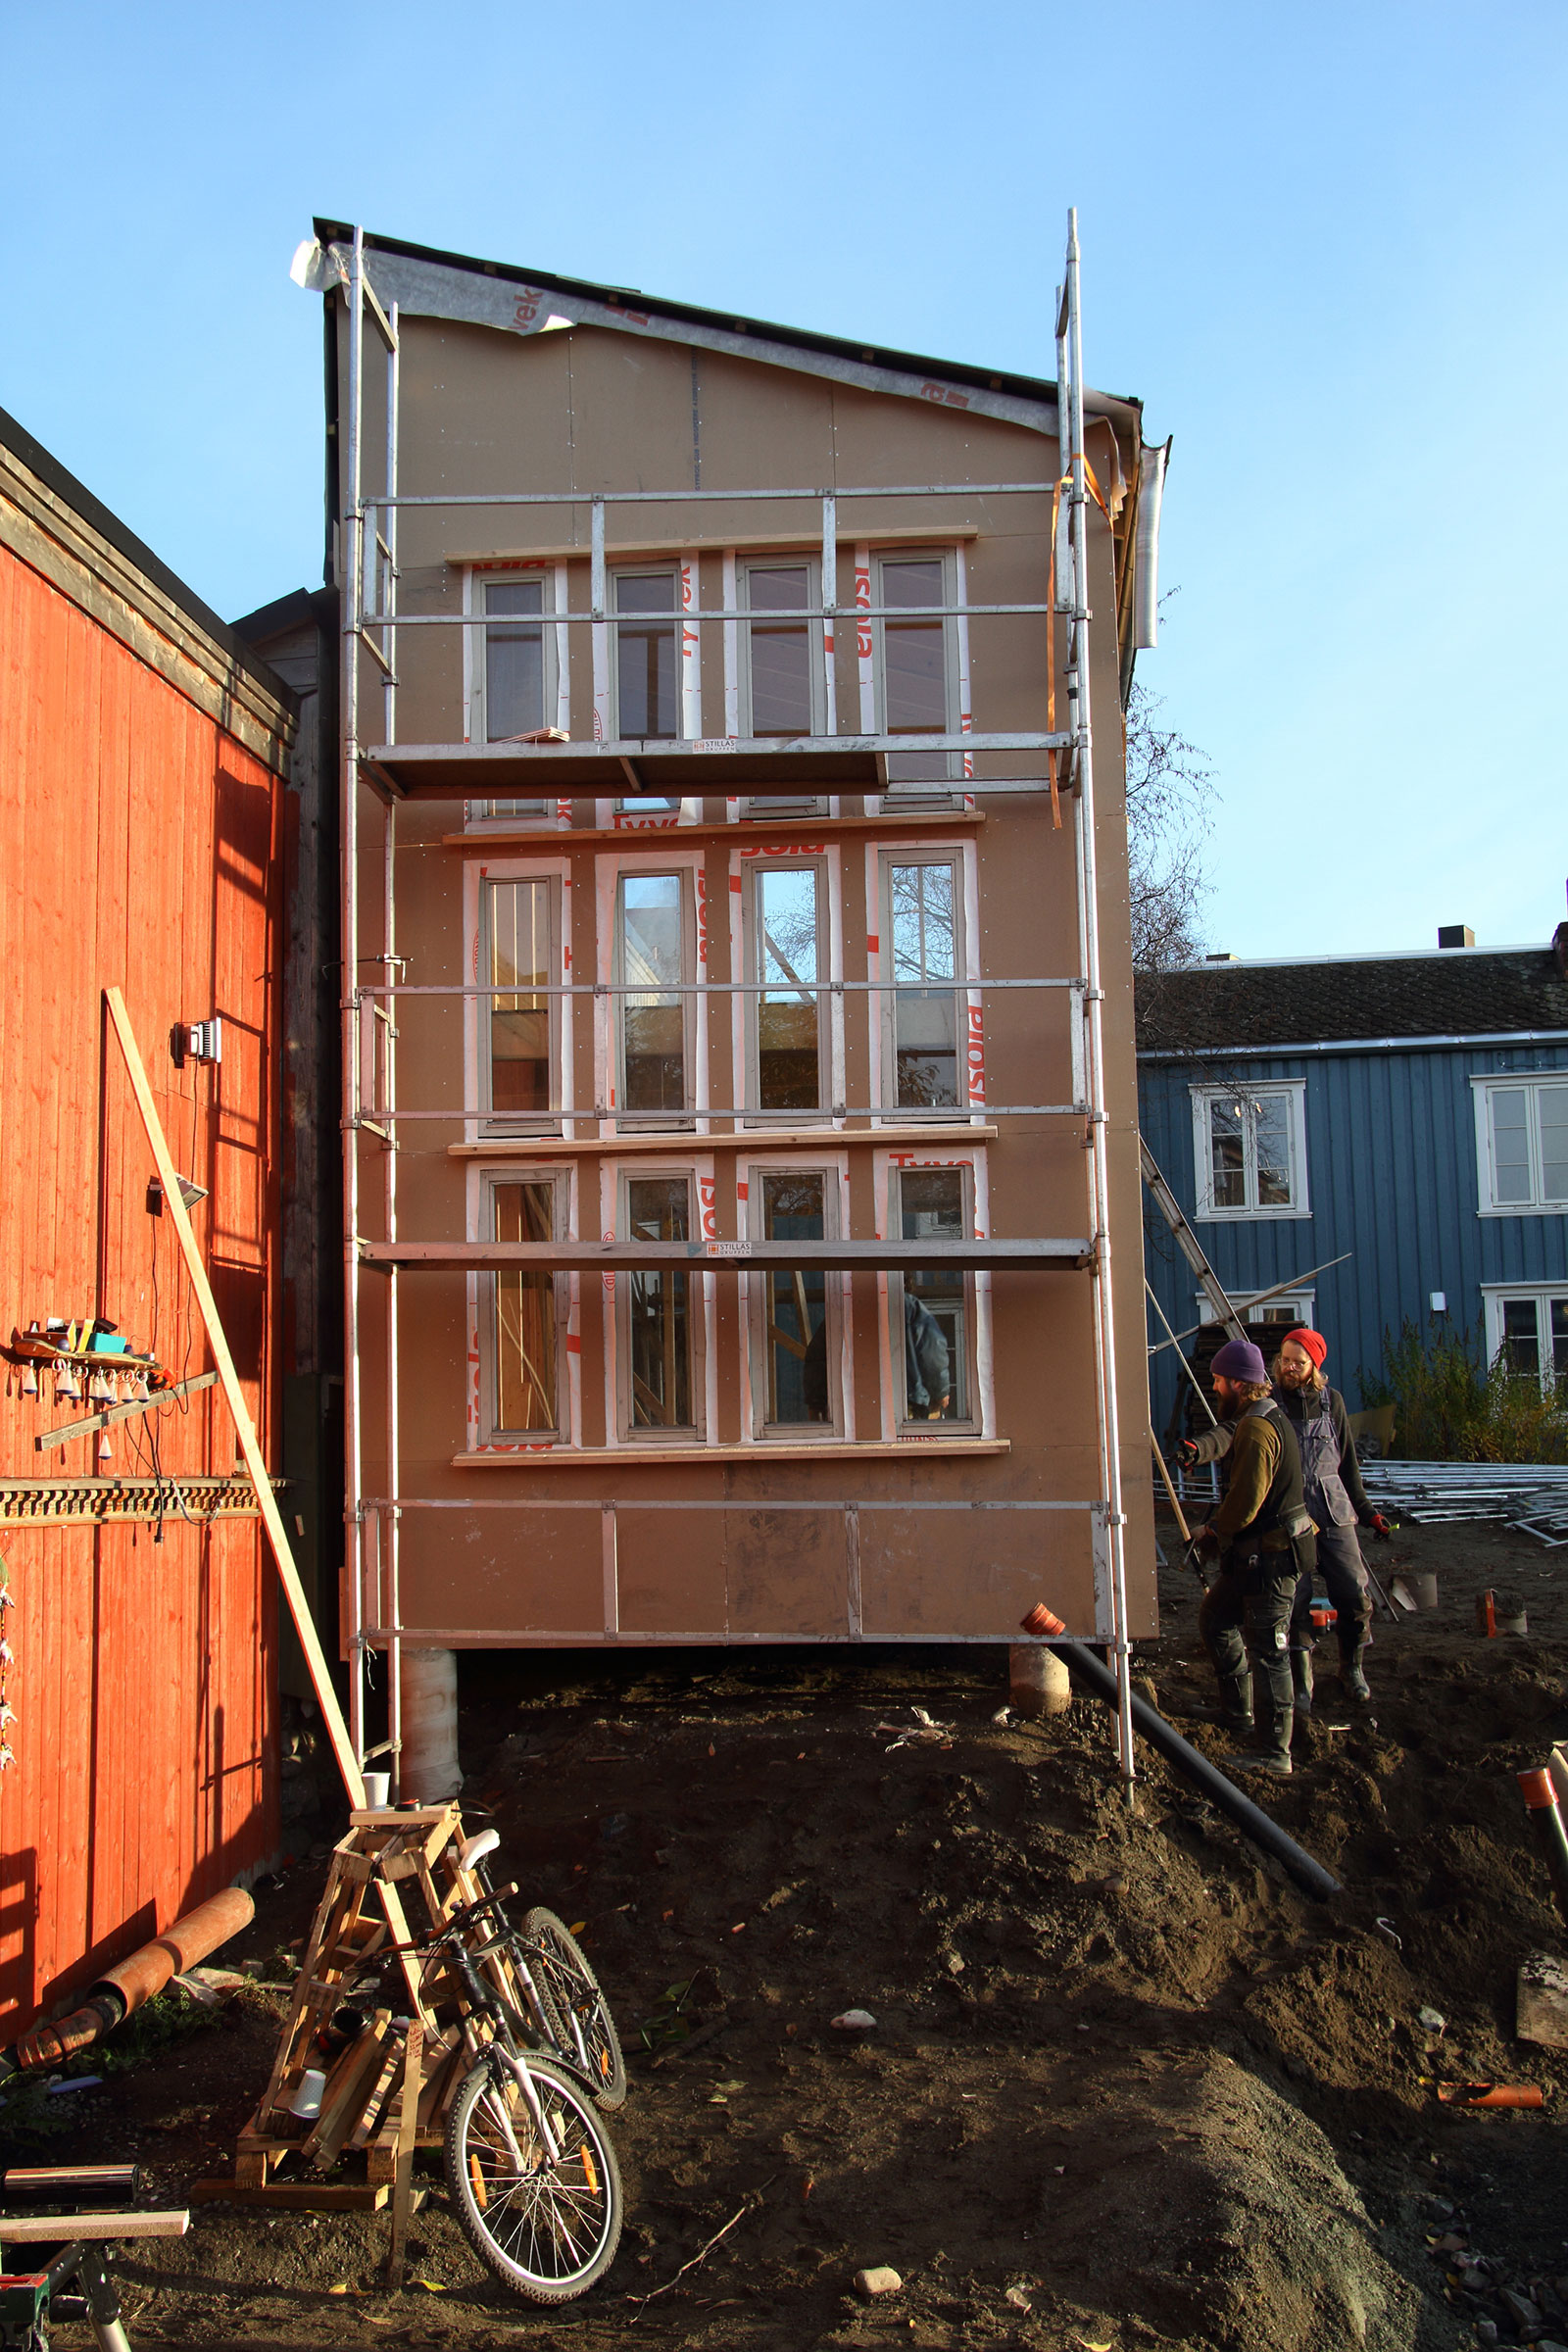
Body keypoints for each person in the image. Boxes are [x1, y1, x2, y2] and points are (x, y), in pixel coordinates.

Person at [1177, 1337, 1317, 1778]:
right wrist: (1198, 1448)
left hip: (1272, 1562)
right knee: (1216, 1618)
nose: (1214, 1387)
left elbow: (1247, 1501)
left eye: (1219, 1380)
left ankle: (1275, 1753)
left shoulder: (1258, 1429)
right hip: (1255, 1559)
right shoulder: (1257, 1415)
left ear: (1238, 1383)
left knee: (1270, 1650)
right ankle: (1238, 1714)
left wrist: (1214, 1530)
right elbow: (1224, 1435)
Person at [1272, 1326, 1391, 1709]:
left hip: (1333, 1507)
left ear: (1314, 1366)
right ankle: (1302, 1683)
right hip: (1289, 1513)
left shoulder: (1332, 1403)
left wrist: (1368, 1512)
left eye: (1298, 1362)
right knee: (1296, 1597)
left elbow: (1348, 1467)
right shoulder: (1271, 1405)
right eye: (1285, 1360)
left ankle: (1351, 1668)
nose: (1289, 1368)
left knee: (1354, 1591)